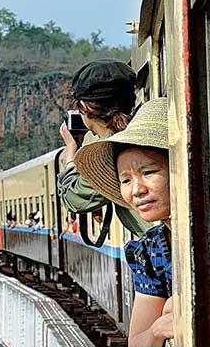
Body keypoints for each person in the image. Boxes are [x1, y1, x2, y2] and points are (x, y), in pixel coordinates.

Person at [74, 97, 172, 347]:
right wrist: (158, 330)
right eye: (126, 180)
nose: (137, 189)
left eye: (149, 172)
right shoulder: (151, 250)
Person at [57, 59, 151, 238]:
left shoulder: (107, 154)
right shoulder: (146, 133)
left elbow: (75, 199)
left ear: (85, 108)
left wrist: (71, 151)